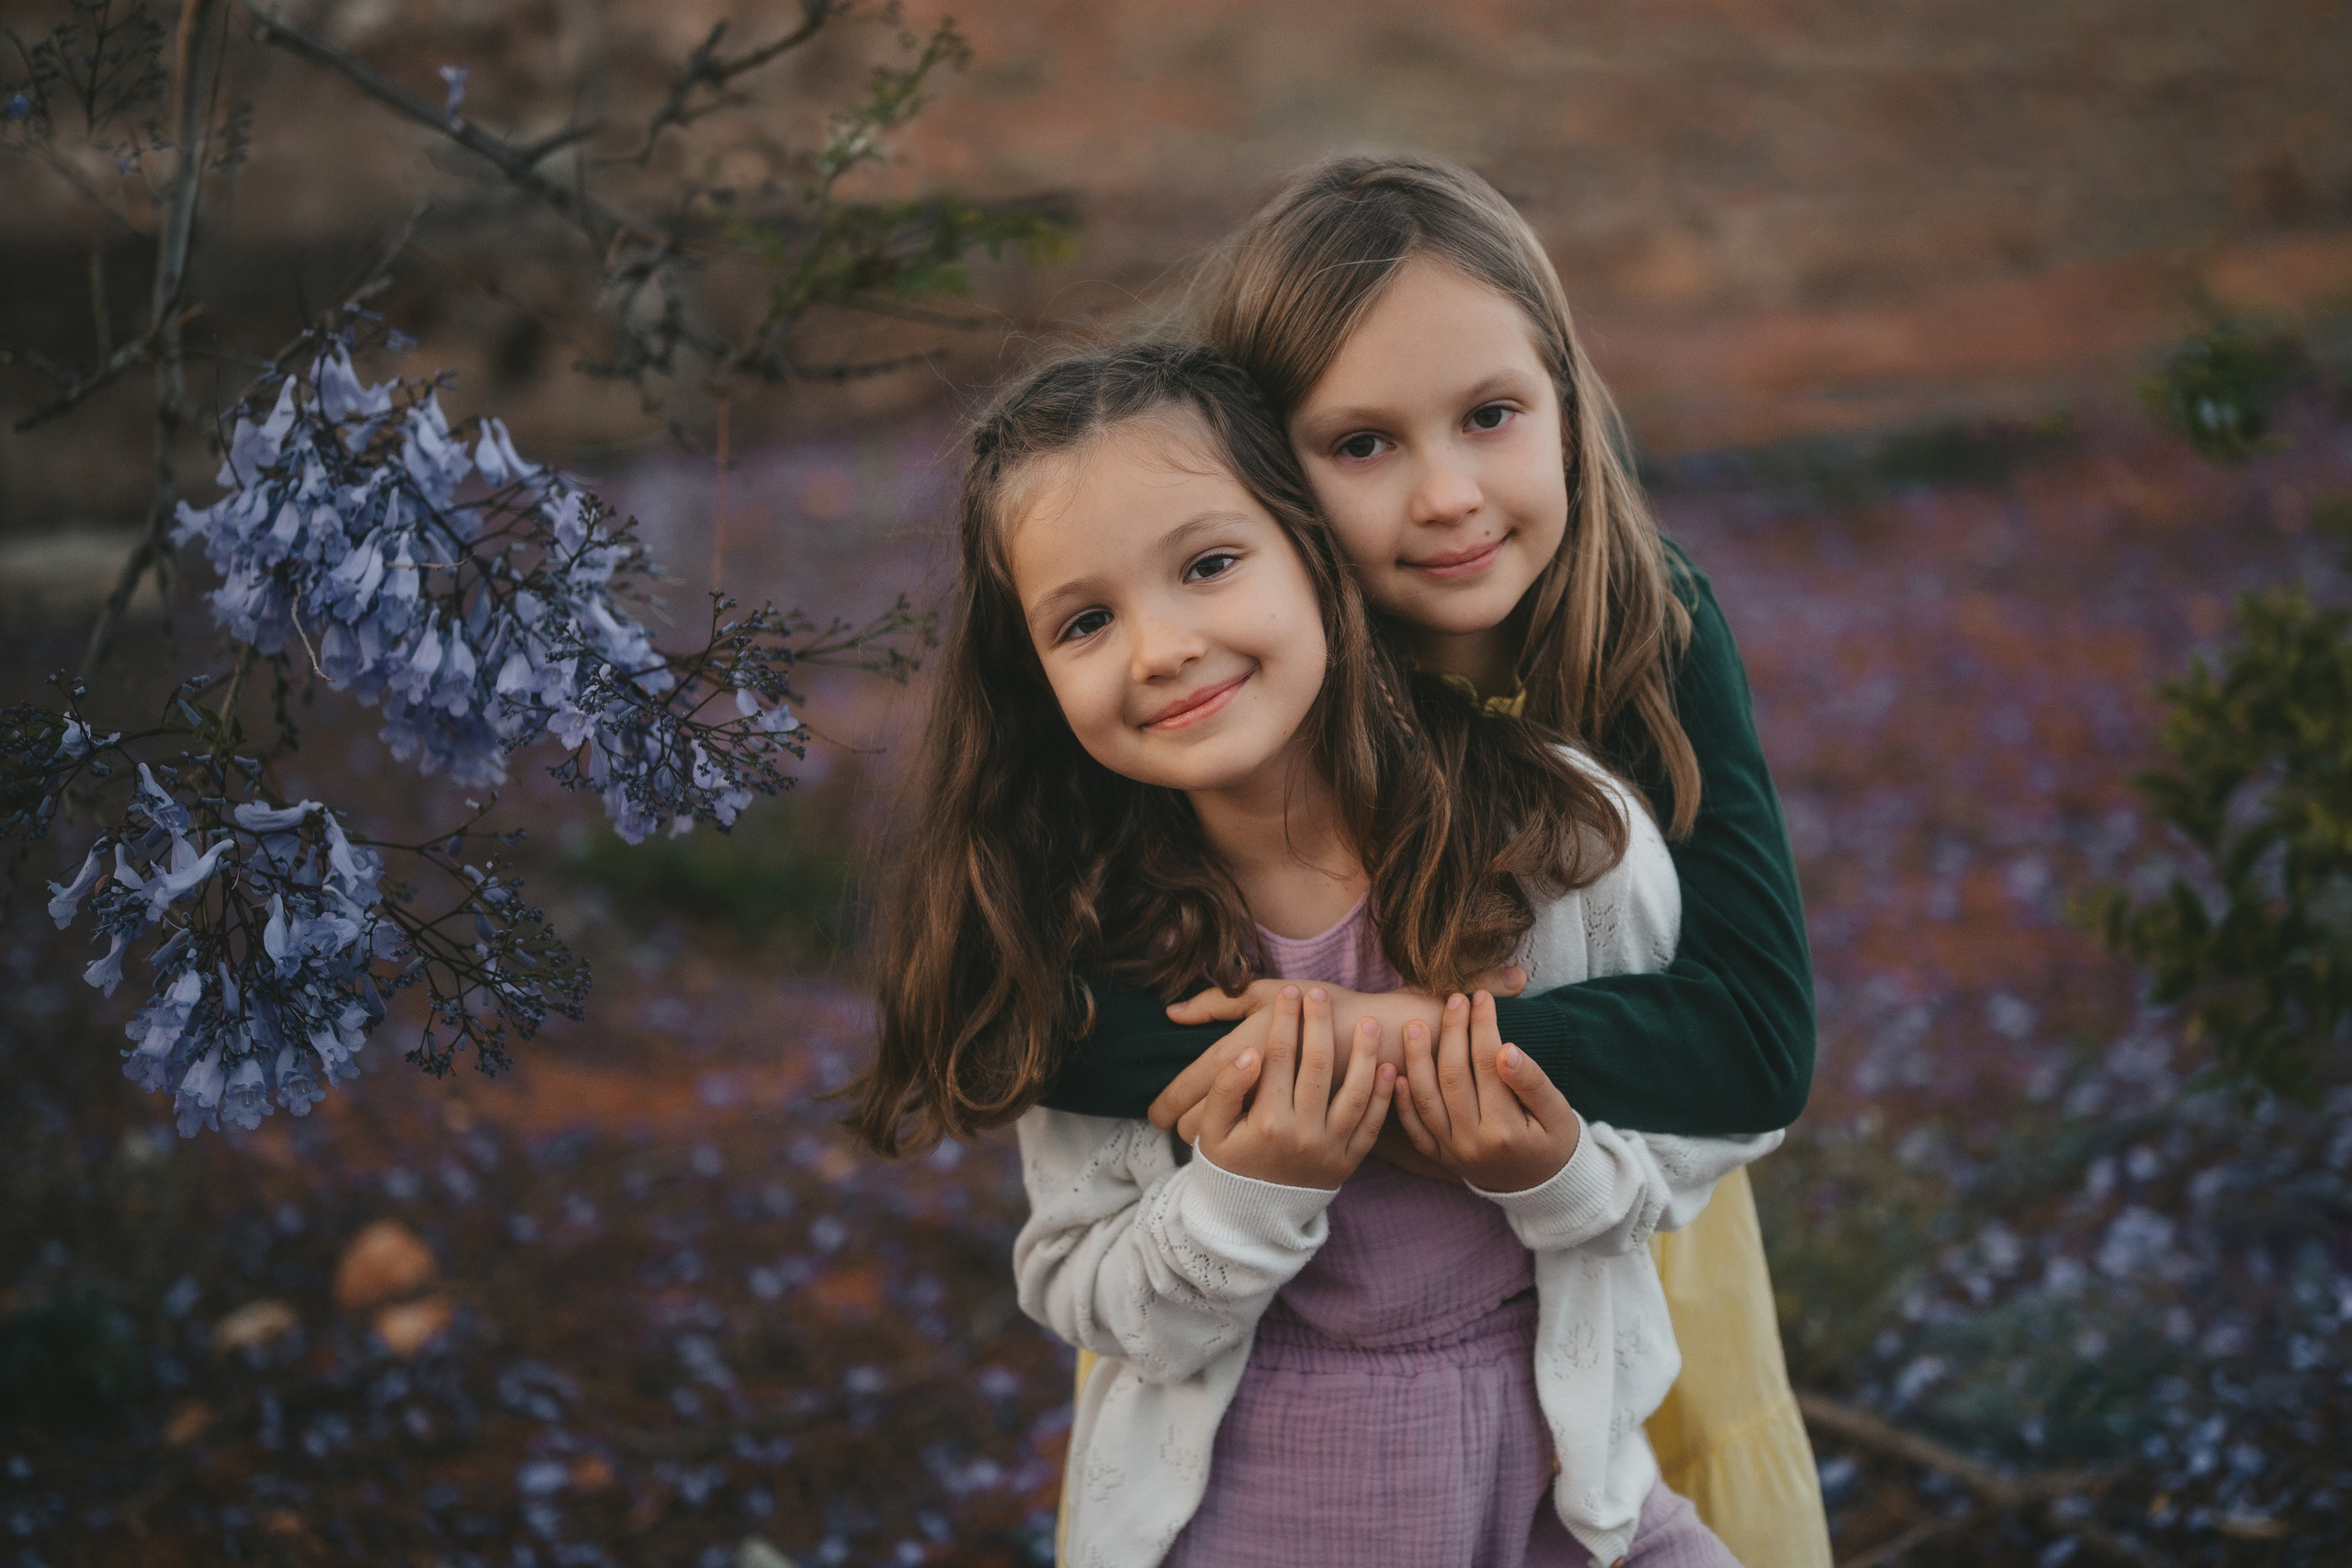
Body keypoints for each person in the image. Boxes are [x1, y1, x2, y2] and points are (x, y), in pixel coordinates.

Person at [852, 339, 1774, 1566]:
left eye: (1211, 565)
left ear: (1316, 555)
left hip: (1570, 1495)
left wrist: (1552, 1168)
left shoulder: (1556, 842)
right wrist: (1248, 1190)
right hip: (1261, 1518)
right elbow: (1081, 1282)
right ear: (1036, 680)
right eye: (1085, 621)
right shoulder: (1100, 936)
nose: (1163, 645)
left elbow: (1692, 1139)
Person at [1044, 154, 1831, 1567]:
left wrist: (1423, 1034)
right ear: (1270, 476)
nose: (1449, 495)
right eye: (1364, 445)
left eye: (1490, 415)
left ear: (1566, 401)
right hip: (1270, 1303)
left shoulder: (1649, 622)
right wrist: (1323, 1058)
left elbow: (1751, 1036)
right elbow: (1062, 1029)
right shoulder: (1233, 690)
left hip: (1612, 1194)